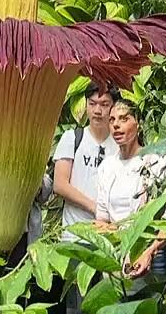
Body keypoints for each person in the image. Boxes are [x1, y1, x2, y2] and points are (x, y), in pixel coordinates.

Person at [94, 100, 166, 282]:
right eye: (112, 120)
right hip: (117, 257)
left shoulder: (158, 164)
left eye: (124, 119)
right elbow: (101, 219)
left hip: (154, 256)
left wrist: (149, 251)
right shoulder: (106, 167)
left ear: (138, 123)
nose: (116, 125)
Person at [52, 84, 117, 242]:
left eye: (104, 105)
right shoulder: (72, 138)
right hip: (75, 237)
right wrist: (95, 208)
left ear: (113, 108)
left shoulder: (120, 145)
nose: (97, 110)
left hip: (110, 238)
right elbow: (60, 184)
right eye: (92, 103)